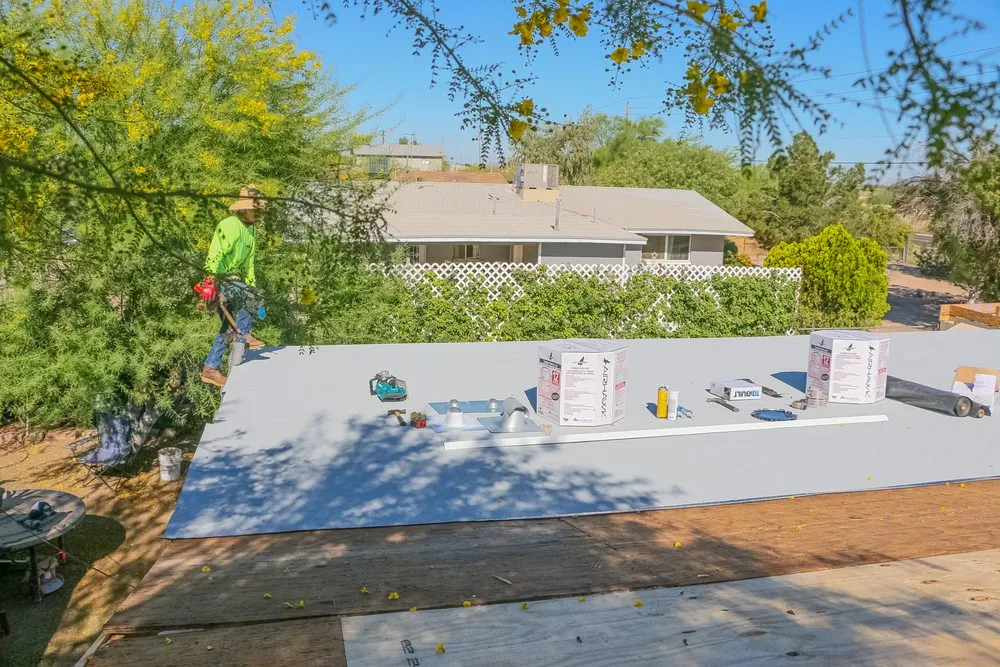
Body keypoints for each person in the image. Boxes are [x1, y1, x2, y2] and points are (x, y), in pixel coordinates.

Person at [200, 186, 267, 388]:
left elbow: (249, 266)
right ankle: (244, 336)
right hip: (221, 279)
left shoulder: (251, 231)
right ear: (244, 209)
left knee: (228, 329)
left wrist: (254, 295)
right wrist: (209, 281)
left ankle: (210, 369)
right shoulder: (229, 225)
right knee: (240, 325)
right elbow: (215, 254)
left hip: (236, 281)